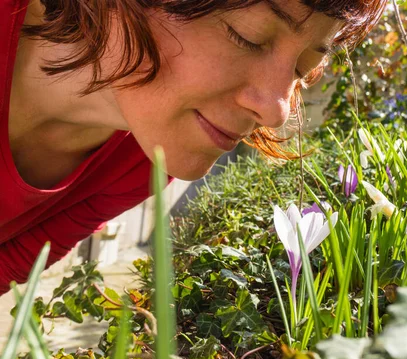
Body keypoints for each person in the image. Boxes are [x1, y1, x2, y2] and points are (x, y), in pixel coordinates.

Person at [0, 0, 386, 294]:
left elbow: (10, 265)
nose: (277, 111)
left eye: (302, 68)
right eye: (247, 35)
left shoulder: (146, 159)